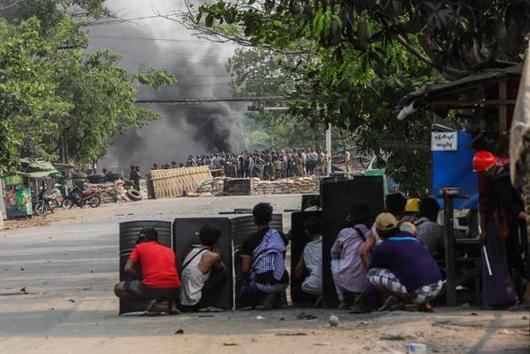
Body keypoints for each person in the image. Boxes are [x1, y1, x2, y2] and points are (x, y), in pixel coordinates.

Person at [473, 151, 524, 308]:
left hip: (505, 219)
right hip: (509, 218)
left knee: (502, 258)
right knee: (511, 256)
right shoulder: (509, 167)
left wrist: (483, 229)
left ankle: (506, 297)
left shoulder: (496, 180)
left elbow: (485, 204)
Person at [365, 213, 443, 312]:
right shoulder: (411, 237)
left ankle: (408, 301)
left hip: (419, 292)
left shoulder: (382, 247)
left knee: (372, 274)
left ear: (378, 232)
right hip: (438, 286)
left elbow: (373, 268)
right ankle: (425, 303)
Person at [114, 228, 181, 315]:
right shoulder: (168, 250)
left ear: (144, 239)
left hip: (151, 288)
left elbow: (127, 268)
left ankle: (149, 300)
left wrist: (139, 277)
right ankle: (172, 306)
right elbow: (174, 270)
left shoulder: (139, 247)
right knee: (169, 278)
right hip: (174, 289)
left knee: (118, 288)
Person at [240, 203, 289, 310]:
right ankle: (277, 297)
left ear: (254, 219)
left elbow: (245, 269)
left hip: (261, 284)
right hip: (284, 282)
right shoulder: (281, 237)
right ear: (271, 218)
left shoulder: (249, 240)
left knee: (244, 289)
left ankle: (263, 296)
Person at [330, 204, 371, 309]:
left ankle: (342, 300)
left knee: (334, 263)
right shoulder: (372, 234)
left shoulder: (344, 232)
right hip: (369, 283)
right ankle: (361, 296)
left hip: (346, 283)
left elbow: (333, 253)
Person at [179, 225, 228, 312]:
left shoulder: (193, 251)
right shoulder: (212, 255)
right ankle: (210, 304)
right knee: (222, 274)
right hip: (196, 301)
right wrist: (217, 254)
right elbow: (222, 268)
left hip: (184, 301)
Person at [294, 217, 323, 304]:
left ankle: (320, 294)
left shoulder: (307, 248)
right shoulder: (327, 243)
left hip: (315, 284)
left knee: (302, 287)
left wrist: (301, 257)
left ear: (306, 232)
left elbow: (297, 274)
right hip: (333, 284)